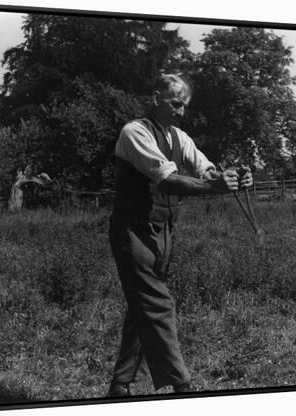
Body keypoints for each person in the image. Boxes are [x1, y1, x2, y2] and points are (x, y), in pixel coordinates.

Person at [107, 73, 253, 396]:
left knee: (142, 306)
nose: (181, 111)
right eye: (175, 103)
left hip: (163, 232)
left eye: (185, 106)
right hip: (133, 232)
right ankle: (183, 386)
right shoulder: (135, 133)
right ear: (157, 98)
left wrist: (232, 176)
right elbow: (168, 180)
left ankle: (120, 385)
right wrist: (213, 187)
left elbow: (206, 169)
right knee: (159, 305)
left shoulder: (179, 137)